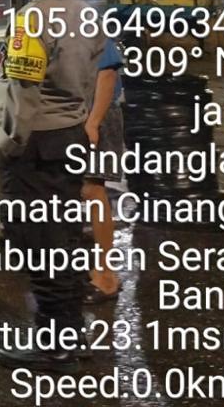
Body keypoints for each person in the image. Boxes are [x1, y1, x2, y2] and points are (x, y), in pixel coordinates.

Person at [0, 0, 108, 372]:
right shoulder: (88, 13)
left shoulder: (32, 18)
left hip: (36, 143)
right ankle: (70, 332)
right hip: (70, 136)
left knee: (38, 243)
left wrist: (9, 143)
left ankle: (55, 347)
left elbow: (23, 91)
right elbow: (89, 77)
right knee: (64, 237)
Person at [83, 37, 125, 303]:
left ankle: (106, 275)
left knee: (91, 189)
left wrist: (93, 122)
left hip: (97, 113)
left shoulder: (86, 23)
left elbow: (108, 73)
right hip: (71, 114)